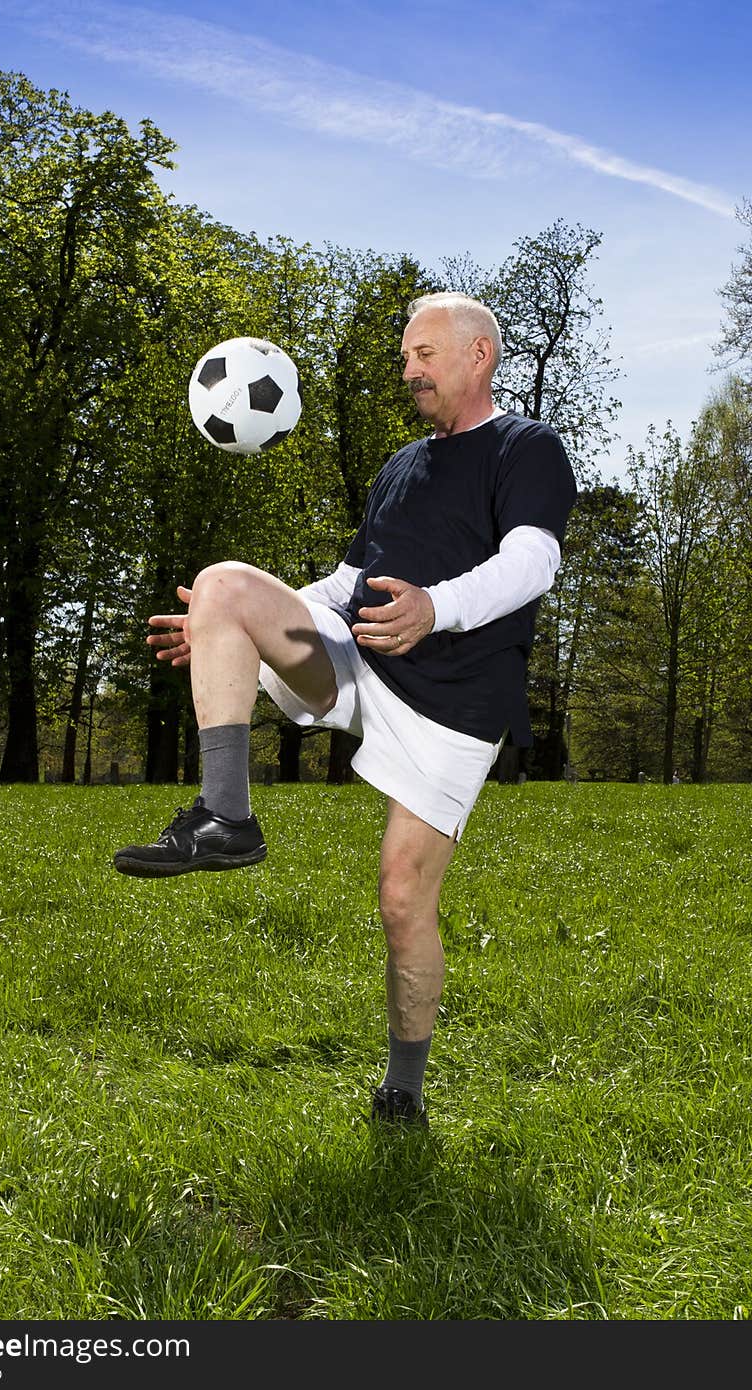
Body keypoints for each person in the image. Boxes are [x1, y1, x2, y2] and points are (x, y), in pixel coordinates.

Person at [114, 291, 578, 1129]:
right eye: (406, 357)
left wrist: (435, 607)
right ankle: (227, 817)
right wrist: (233, 624)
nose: (409, 371)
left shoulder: (526, 447)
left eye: (424, 355)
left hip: (456, 701)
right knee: (221, 583)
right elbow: (345, 583)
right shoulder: (401, 466)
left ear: (479, 356)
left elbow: (532, 562)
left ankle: (403, 1089)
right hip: (362, 662)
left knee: (402, 899)